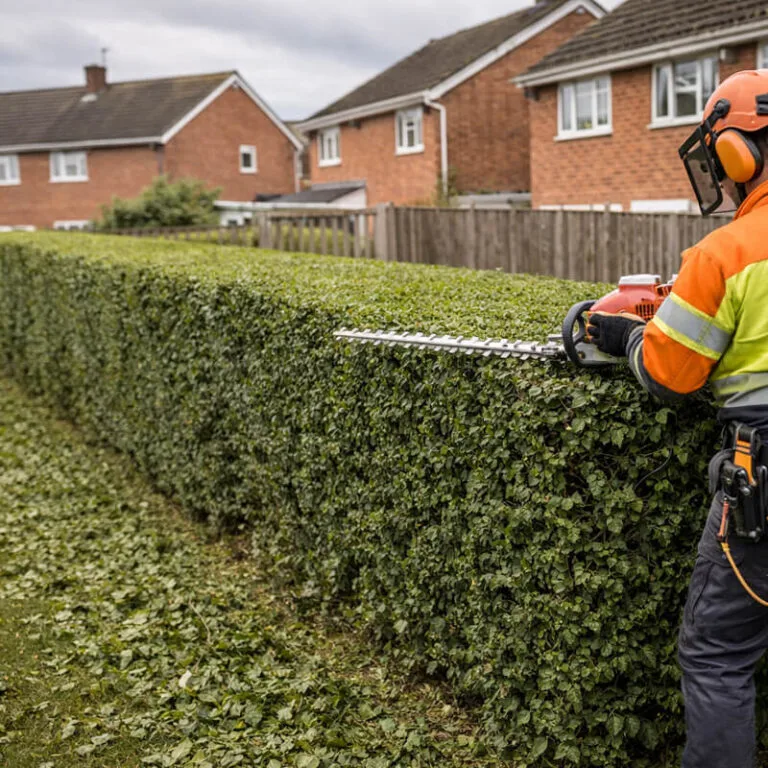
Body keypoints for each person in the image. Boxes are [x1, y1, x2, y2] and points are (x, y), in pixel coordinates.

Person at [587, 70, 768, 768]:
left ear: (737, 155)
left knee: (717, 653)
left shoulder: (729, 252)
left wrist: (625, 336)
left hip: (761, 478)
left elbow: (671, 374)